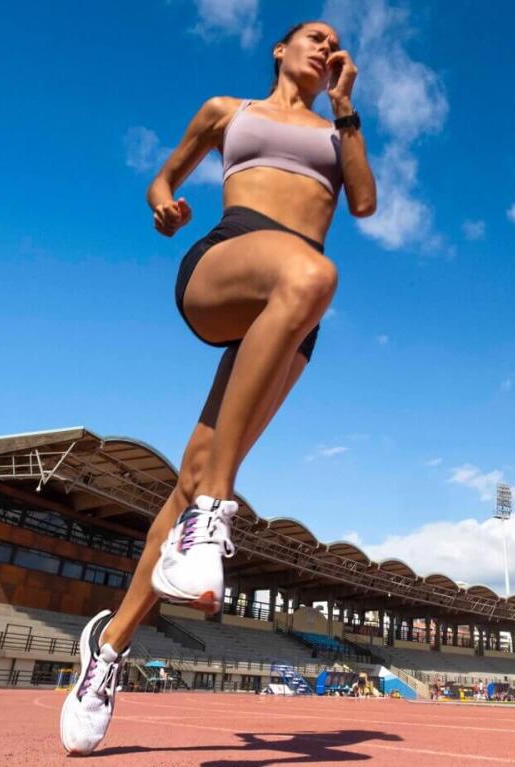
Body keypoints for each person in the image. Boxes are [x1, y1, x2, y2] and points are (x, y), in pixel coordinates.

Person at [59, 19, 375, 755]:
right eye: (313, 35)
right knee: (314, 273)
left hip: (290, 317)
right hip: (229, 261)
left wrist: (347, 109)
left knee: (192, 471)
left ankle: (106, 651)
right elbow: (164, 175)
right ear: (279, 48)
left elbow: (362, 203)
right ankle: (213, 512)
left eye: (335, 44)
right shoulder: (228, 110)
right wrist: (164, 200)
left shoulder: (336, 134)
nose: (325, 47)